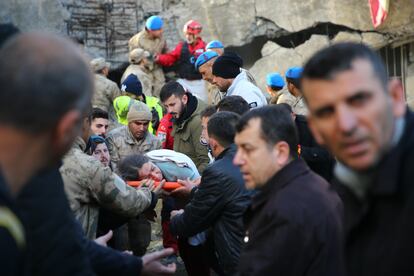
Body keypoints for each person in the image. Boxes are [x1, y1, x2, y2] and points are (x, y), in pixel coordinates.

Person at [0, 31, 175, 275]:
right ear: (69, 126)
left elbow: (63, 244)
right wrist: (150, 192)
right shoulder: (77, 167)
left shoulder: (34, 178)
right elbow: (126, 202)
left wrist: (125, 263)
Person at [301, 42, 412, 276]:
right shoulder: (344, 188)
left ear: (395, 97)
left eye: (358, 100)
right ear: (315, 129)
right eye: (326, 112)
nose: (346, 125)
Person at [234, 105, 344, 275]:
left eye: (248, 149)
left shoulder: (287, 211)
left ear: (281, 152)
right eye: (237, 149)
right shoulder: (306, 189)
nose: (237, 160)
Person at [171, 111, 252, 275]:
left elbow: (190, 223)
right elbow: (229, 196)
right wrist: (194, 191)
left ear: (214, 143)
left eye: (204, 131)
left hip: (239, 259)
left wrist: (175, 218)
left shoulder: (217, 171)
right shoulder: (255, 157)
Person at [160, 81, 210, 172]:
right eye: (166, 106)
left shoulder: (198, 122)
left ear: (184, 99)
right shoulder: (179, 114)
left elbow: (206, 161)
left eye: (172, 105)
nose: (169, 111)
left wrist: (194, 183)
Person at [279, 103, 335, 182]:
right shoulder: (275, 128)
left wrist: (299, 150)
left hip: (322, 172)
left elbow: (326, 153)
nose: (284, 124)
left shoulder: (310, 126)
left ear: (293, 115)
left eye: (286, 120)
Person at [155, 20, 207, 102]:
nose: (188, 37)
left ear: (197, 34)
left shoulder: (205, 48)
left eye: (190, 34)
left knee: (203, 104)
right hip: (184, 82)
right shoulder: (181, 46)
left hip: (200, 83)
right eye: (186, 34)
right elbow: (171, 57)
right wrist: (159, 58)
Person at [107, 100, 162, 171]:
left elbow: (157, 170)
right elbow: (114, 169)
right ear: (129, 122)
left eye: (145, 124)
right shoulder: (113, 138)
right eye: (138, 123)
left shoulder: (156, 142)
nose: (142, 128)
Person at [129, 15, 166, 97]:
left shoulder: (161, 38)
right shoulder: (137, 40)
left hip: (157, 70)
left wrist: (164, 58)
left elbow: (166, 52)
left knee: (161, 92)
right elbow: (134, 59)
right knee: (145, 94)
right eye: (159, 29)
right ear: (150, 30)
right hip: (142, 71)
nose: (161, 31)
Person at [90, 57, 122, 127]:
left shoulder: (84, 82)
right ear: (104, 70)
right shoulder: (111, 85)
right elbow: (120, 106)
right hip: (106, 124)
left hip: (88, 122)